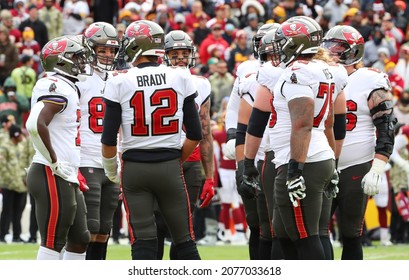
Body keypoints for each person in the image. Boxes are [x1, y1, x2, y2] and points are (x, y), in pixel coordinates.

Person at [101, 20, 202, 260]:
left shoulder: (119, 80)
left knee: (143, 241)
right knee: (184, 240)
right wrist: (177, 159)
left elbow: (108, 139)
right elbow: (196, 134)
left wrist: (112, 172)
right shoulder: (180, 76)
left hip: (134, 168)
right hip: (169, 164)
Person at [244, 16, 335, 260]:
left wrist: (296, 170)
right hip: (315, 154)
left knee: (305, 236)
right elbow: (329, 122)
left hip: (302, 159)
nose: (278, 48)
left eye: (283, 41)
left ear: (296, 44)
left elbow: (303, 125)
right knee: (284, 233)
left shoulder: (296, 73)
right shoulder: (322, 69)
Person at [322, 25, 396, 259]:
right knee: (317, 232)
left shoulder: (370, 79)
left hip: (356, 164)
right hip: (321, 163)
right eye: (328, 45)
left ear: (353, 51)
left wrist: (377, 168)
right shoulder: (316, 74)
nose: (330, 51)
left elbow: (386, 127)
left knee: (351, 233)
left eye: (338, 47)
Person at [26, 35, 92, 260]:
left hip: (66, 173)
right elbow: (34, 123)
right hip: (50, 170)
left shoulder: (68, 86)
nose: (82, 61)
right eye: (76, 57)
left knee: (80, 238)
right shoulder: (54, 85)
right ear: (61, 61)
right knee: (54, 241)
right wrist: (54, 160)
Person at [223, 23, 276, 260]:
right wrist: (233, 137)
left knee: (279, 224)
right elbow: (234, 109)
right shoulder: (247, 70)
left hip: (279, 152)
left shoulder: (295, 70)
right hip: (251, 152)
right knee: (256, 222)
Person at [160, 30, 215, 251]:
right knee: (156, 223)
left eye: (184, 53)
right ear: (165, 56)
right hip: (160, 155)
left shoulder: (201, 84)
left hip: (190, 159)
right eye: (175, 53)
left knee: (183, 224)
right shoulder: (155, 80)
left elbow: (206, 130)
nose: (181, 58)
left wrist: (209, 176)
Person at [76, 22, 121, 260]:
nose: (108, 54)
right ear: (90, 48)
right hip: (86, 157)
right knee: (88, 227)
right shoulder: (80, 79)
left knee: (105, 229)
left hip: (111, 162)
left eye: (111, 50)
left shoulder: (118, 79)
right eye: (102, 49)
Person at [0, 124, 26, 243]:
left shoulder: (22, 146)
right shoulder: (4, 147)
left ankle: (17, 235)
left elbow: (25, 162)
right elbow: (2, 166)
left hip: (21, 185)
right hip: (9, 185)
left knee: (18, 212)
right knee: (7, 211)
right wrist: (10, 180)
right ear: (15, 135)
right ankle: (2, 235)